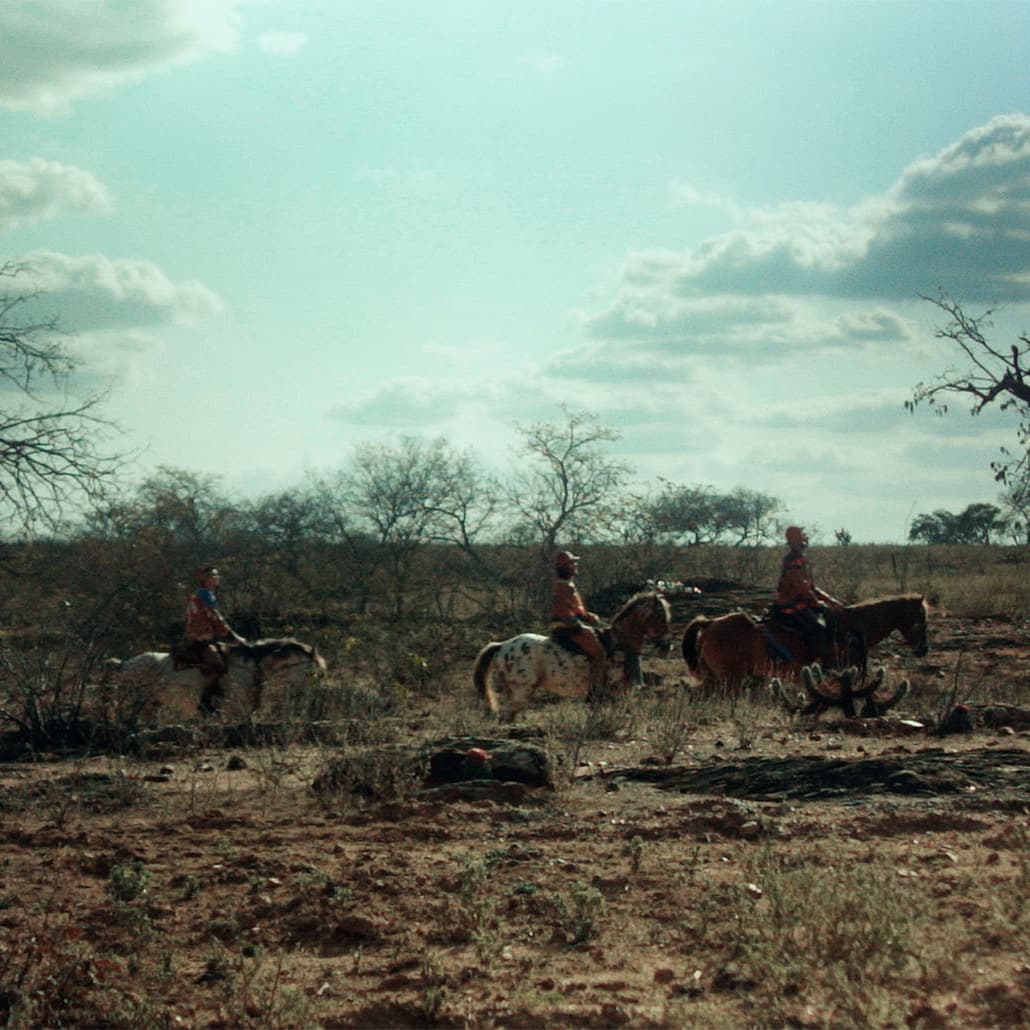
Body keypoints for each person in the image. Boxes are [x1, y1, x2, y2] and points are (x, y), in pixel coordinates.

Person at [775, 526, 843, 660]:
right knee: (818, 627)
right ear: (795, 542)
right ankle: (819, 662)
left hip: (803, 601)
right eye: (801, 540)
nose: (804, 542)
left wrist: (830, 600)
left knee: (831, 616)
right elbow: (801, 587)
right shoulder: (792, 560)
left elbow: (811, 587)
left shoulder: (802, 559)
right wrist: (817, 602)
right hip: (792, 605)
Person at [179, 565, 246, 701]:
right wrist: (233, 636)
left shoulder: (201, 594)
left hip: (202, 637)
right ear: (204, 579)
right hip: (201, 638)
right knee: (217, 664)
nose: (216, 578)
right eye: (212, 575)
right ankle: (208, 699)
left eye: (216, 575)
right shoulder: (205, 594)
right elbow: (215, 617)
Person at [549, 550, 608, 698]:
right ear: (565, 567)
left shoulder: (567, 584)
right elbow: (564, 611)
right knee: (599, 654)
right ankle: (595, 692)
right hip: (564, 626)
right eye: (572, 563)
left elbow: (574, 609)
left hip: (568, 623)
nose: (575, 565)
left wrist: (587, 616)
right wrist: (578, 624)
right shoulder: (563, 586)